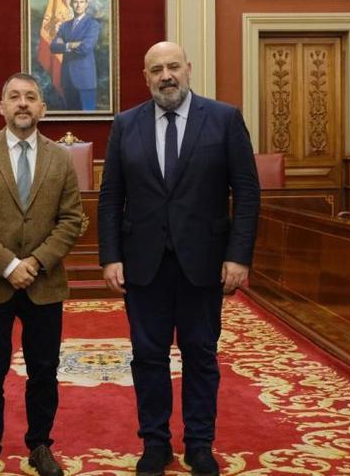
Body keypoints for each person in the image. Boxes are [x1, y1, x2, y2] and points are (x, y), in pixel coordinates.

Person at [97, 42, 260, 476]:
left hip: (204, 263)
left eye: (172, 67)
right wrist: (110, 256)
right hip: (143, 264)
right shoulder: (125, 124)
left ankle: (199, 444)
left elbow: (246, 193)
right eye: (156, 70)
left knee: (200, 355)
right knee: (147, 356)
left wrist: (238, 256)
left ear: (188, 69)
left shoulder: (224, 118)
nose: (165, 76)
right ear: (145, 76)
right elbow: (111, 197)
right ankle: (155, 443)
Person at [0, 72, 83, 476]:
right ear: (2, 107)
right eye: (14, 96)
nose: (23, 103)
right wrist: (9, 265)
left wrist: (36, 262)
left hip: (44, 283)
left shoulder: (62, 159)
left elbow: (71, 220)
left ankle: (41, 446)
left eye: (31, 97)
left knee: (44, 370)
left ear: (43, 108)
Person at [49, 0, 100, 110]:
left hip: (84, 79)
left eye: (81, 2)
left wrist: (64, 45)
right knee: (70, 117)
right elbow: (53, 47)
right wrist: (71, 45)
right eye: (75, 2)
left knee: (88, 119)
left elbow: (86, 48)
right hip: (67, 78)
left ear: (86, 4)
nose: (78, 5)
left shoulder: (92, 24)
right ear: (71, 4)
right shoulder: (64, 26)